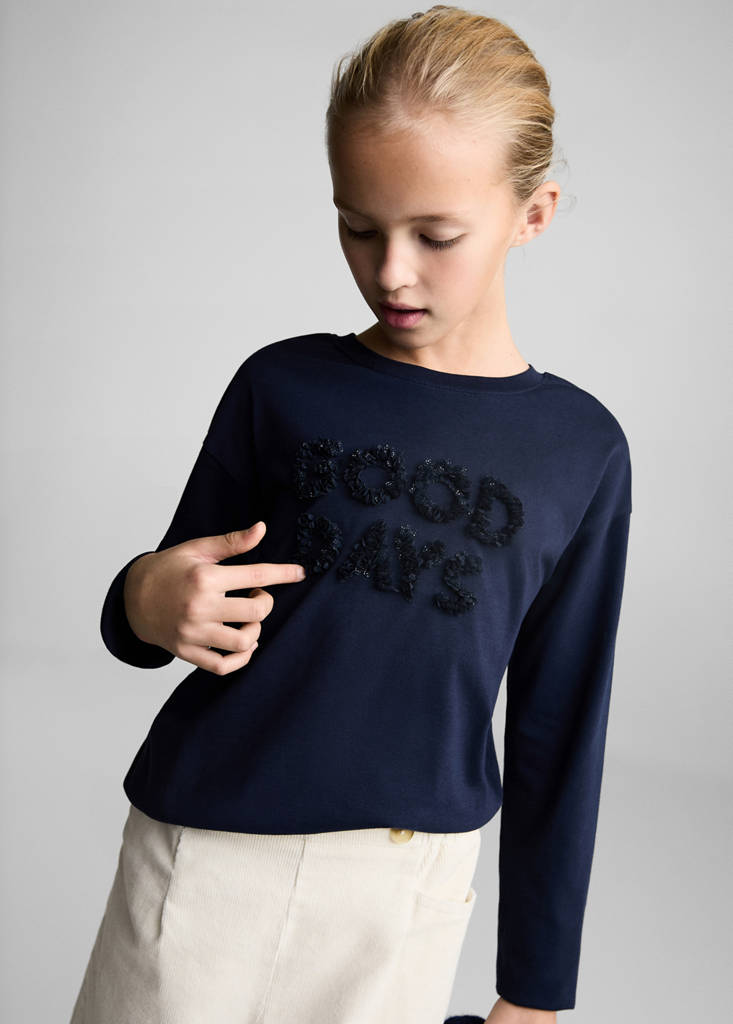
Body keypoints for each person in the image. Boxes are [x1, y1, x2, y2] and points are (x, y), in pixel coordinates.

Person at [69, 7, 632, 1024]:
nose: (391, 270)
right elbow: (162, 603)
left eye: (435, 235)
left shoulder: (579, 449)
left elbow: (559, 724)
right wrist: (145, 597)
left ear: (533, 213)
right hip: (202, 857)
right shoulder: (280, 386)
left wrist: (534, 991)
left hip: (402, 890)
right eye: (358, 227)